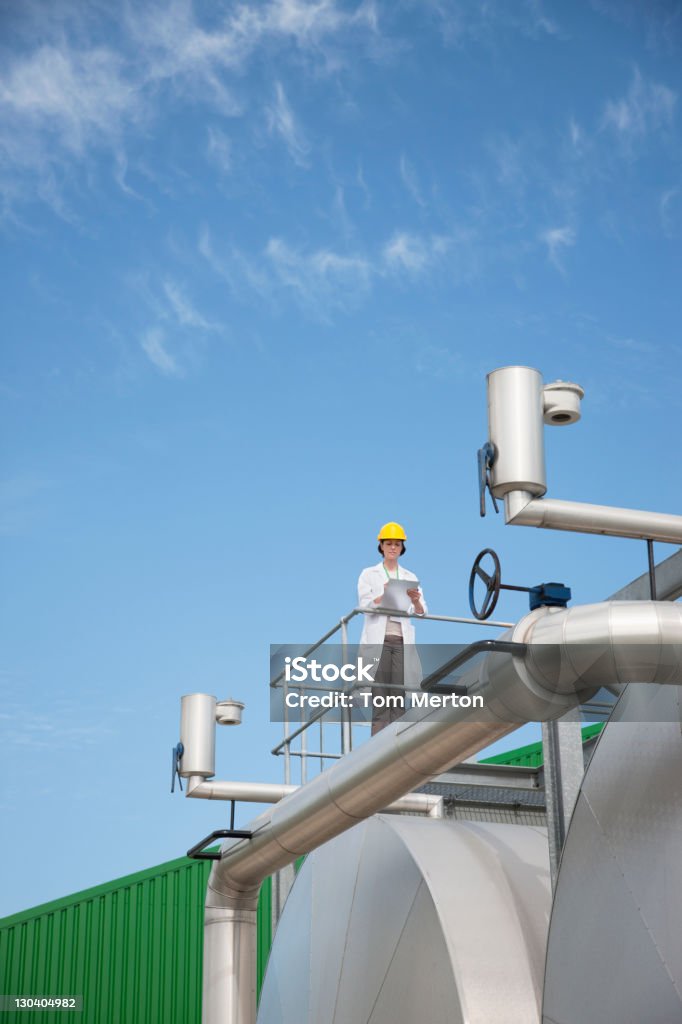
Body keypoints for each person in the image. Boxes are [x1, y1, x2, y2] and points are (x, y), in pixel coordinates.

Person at [357, 522, 427, 735]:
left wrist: (415, 601)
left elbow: (422, 612)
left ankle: (397, 743)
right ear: (381, 545)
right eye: (389, 543)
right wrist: (384, 594)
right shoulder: (369, 574)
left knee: (398, 697)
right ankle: (377, 747)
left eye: (397, 544)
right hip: (380, 640)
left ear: (402, 547)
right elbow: (364, 606)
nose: (393, 548)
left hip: (401, 641)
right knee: (380, 699)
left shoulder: (409, 577)